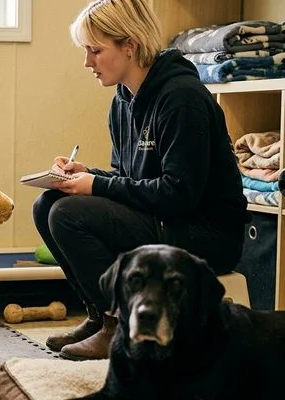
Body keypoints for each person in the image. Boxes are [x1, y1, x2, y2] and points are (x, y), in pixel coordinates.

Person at [33, 0, 248, 361]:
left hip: (206, 232)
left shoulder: (181, 99)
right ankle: (100, 316)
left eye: (95, 50)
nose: (87, 62)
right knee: (48, 204)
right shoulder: (122, 101)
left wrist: (96, 186)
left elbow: (179, 194)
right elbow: (129, 180)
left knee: (66, 214)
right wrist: (87, 176)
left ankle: (119, 326)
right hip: (166, 216)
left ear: (129, 45)